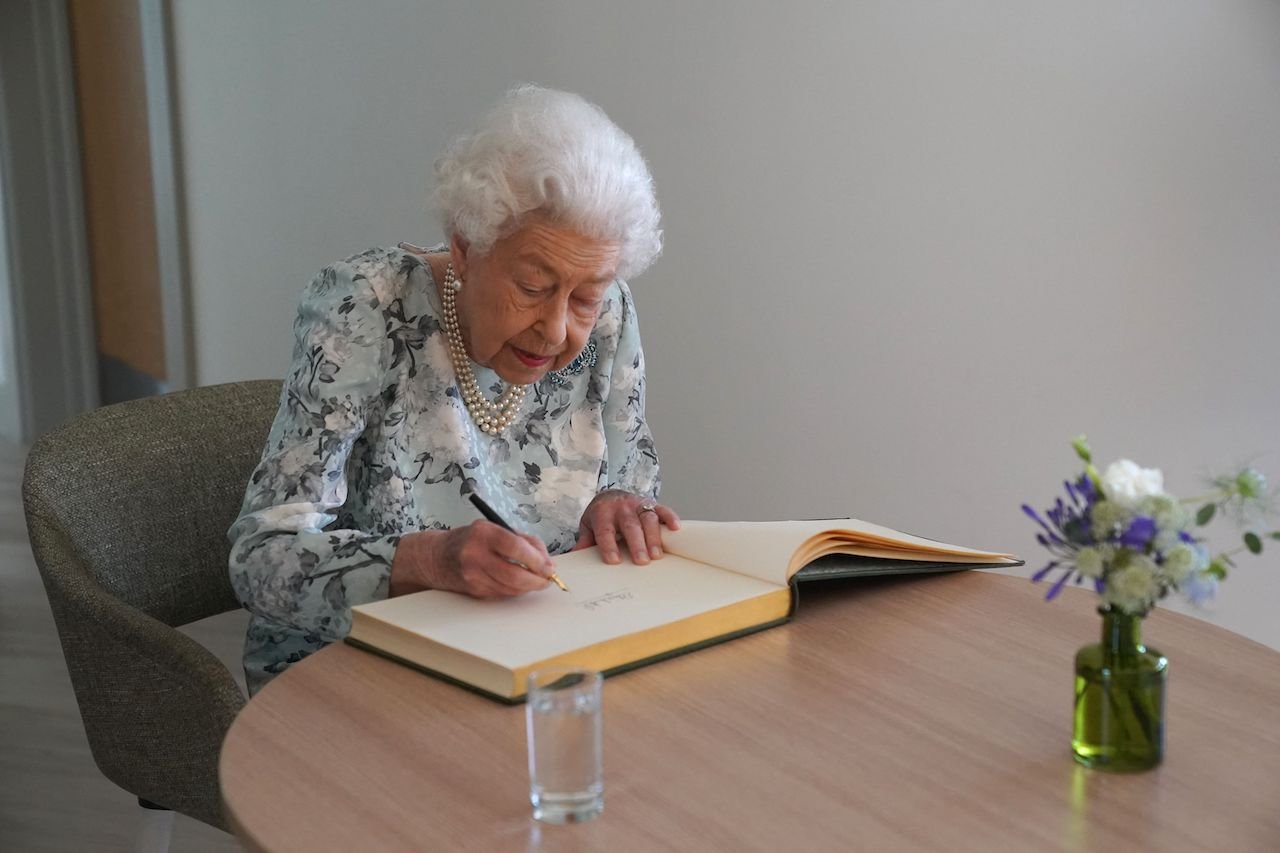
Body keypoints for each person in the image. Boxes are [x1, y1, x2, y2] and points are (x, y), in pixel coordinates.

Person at [228, 85, 679, 694]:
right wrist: (428, 562)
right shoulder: (366, 307)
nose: (556, 328)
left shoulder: (610, 312)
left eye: (585, 297)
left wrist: (618, 507)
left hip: (539, 657)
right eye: (532, 286)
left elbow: (629, 477)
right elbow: (261, 558)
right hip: (360, 668)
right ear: (466, 247)